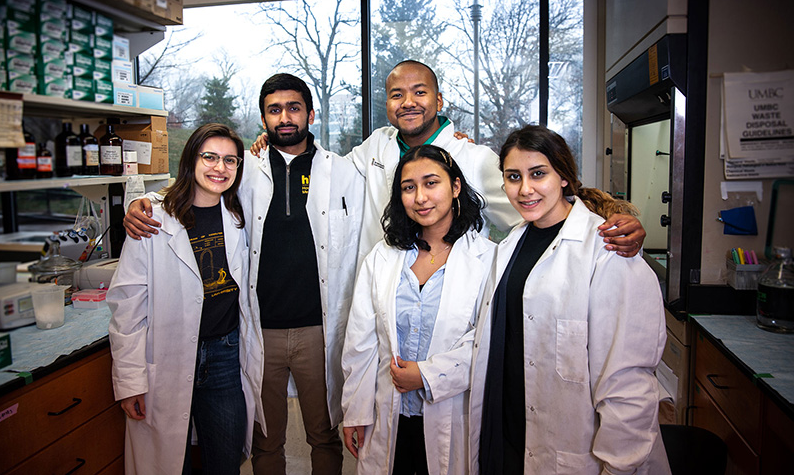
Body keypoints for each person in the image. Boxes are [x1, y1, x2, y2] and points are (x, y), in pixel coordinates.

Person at [122, 74, 365, 475]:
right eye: (274, 110)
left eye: (293, 108)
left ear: (310, 112)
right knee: (265, 441)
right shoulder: (244, 169)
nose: (284, 117)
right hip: (257, 330)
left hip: (317, 331)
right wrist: (141, 202)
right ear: (264, 119)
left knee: (324, 434)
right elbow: (193, 190)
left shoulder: (342, 171)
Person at [251, 60, 646, 262]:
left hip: (451, 295)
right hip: (384, 286)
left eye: (419, 92)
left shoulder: (472, 158)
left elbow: (537, 208)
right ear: (386, 105)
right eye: (396, 95)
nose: (408, 102)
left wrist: (605, 223)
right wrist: (272, 140)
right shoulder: (375, 147)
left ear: (439, 101)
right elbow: (323, 166)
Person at [468, 125, 670, 475]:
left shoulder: (607, 251)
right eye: (513, 176)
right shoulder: (509, 247)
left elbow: (627, 383)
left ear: (563, 176)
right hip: (511, 435)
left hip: (577, 451)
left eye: (538, 174)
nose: (525, 189)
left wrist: (621, 466)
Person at [107, 123, 263, 475]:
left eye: (230, 160)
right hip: (167, 354)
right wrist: (130, 381)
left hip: (224, 356)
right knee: (169, 463)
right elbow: (127, 305)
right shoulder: (152, 218)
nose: (219, 168)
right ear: (191, 159)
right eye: (209, 157)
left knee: (224, 462)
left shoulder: (239, 216)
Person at [342, 145, 494, 475]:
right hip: (390, 415)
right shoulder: (383, 258)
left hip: (451, 414)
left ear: (455, 187)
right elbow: (361, 344)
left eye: (431, 183)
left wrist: (425, 375)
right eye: (409, 187)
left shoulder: (488, 260)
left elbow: (486, 341)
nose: (420, 197)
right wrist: (355, 412)